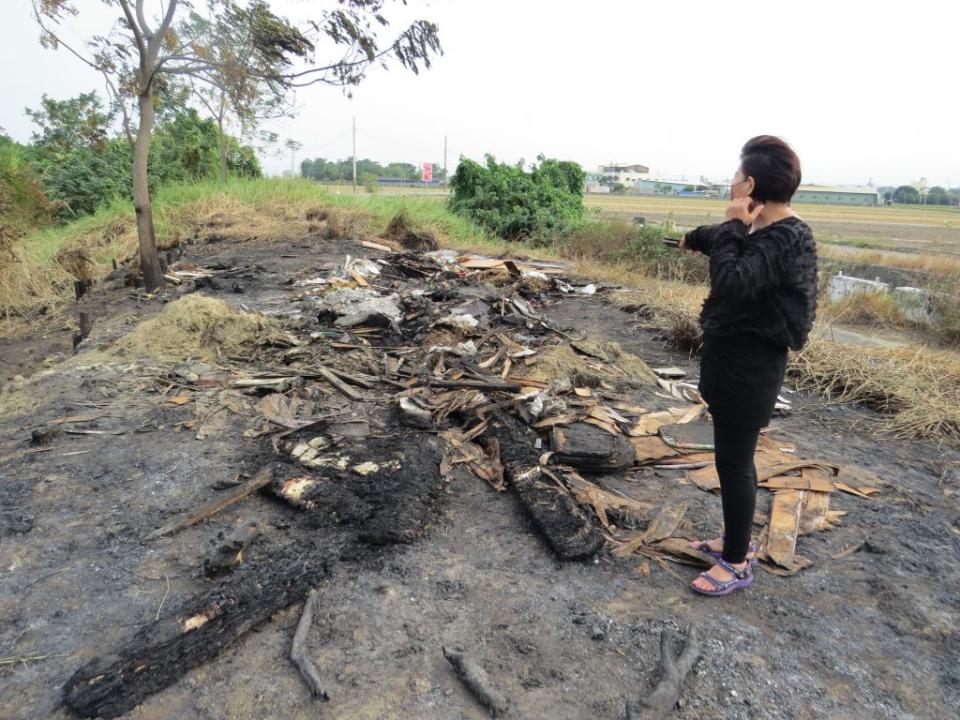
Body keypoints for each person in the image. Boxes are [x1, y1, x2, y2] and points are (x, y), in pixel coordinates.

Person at [679, 135, 817, 596]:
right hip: (732, 358)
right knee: (729, 458)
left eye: (734, 179)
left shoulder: (786, 236)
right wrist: (690, 239)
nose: (730, 185)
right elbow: (719, 240)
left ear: (750, 185)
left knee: (734, 463)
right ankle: (734, 540)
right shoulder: (761, 229)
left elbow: (731, 281)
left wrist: (733, 227)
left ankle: (737, 562)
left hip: (751, 367)